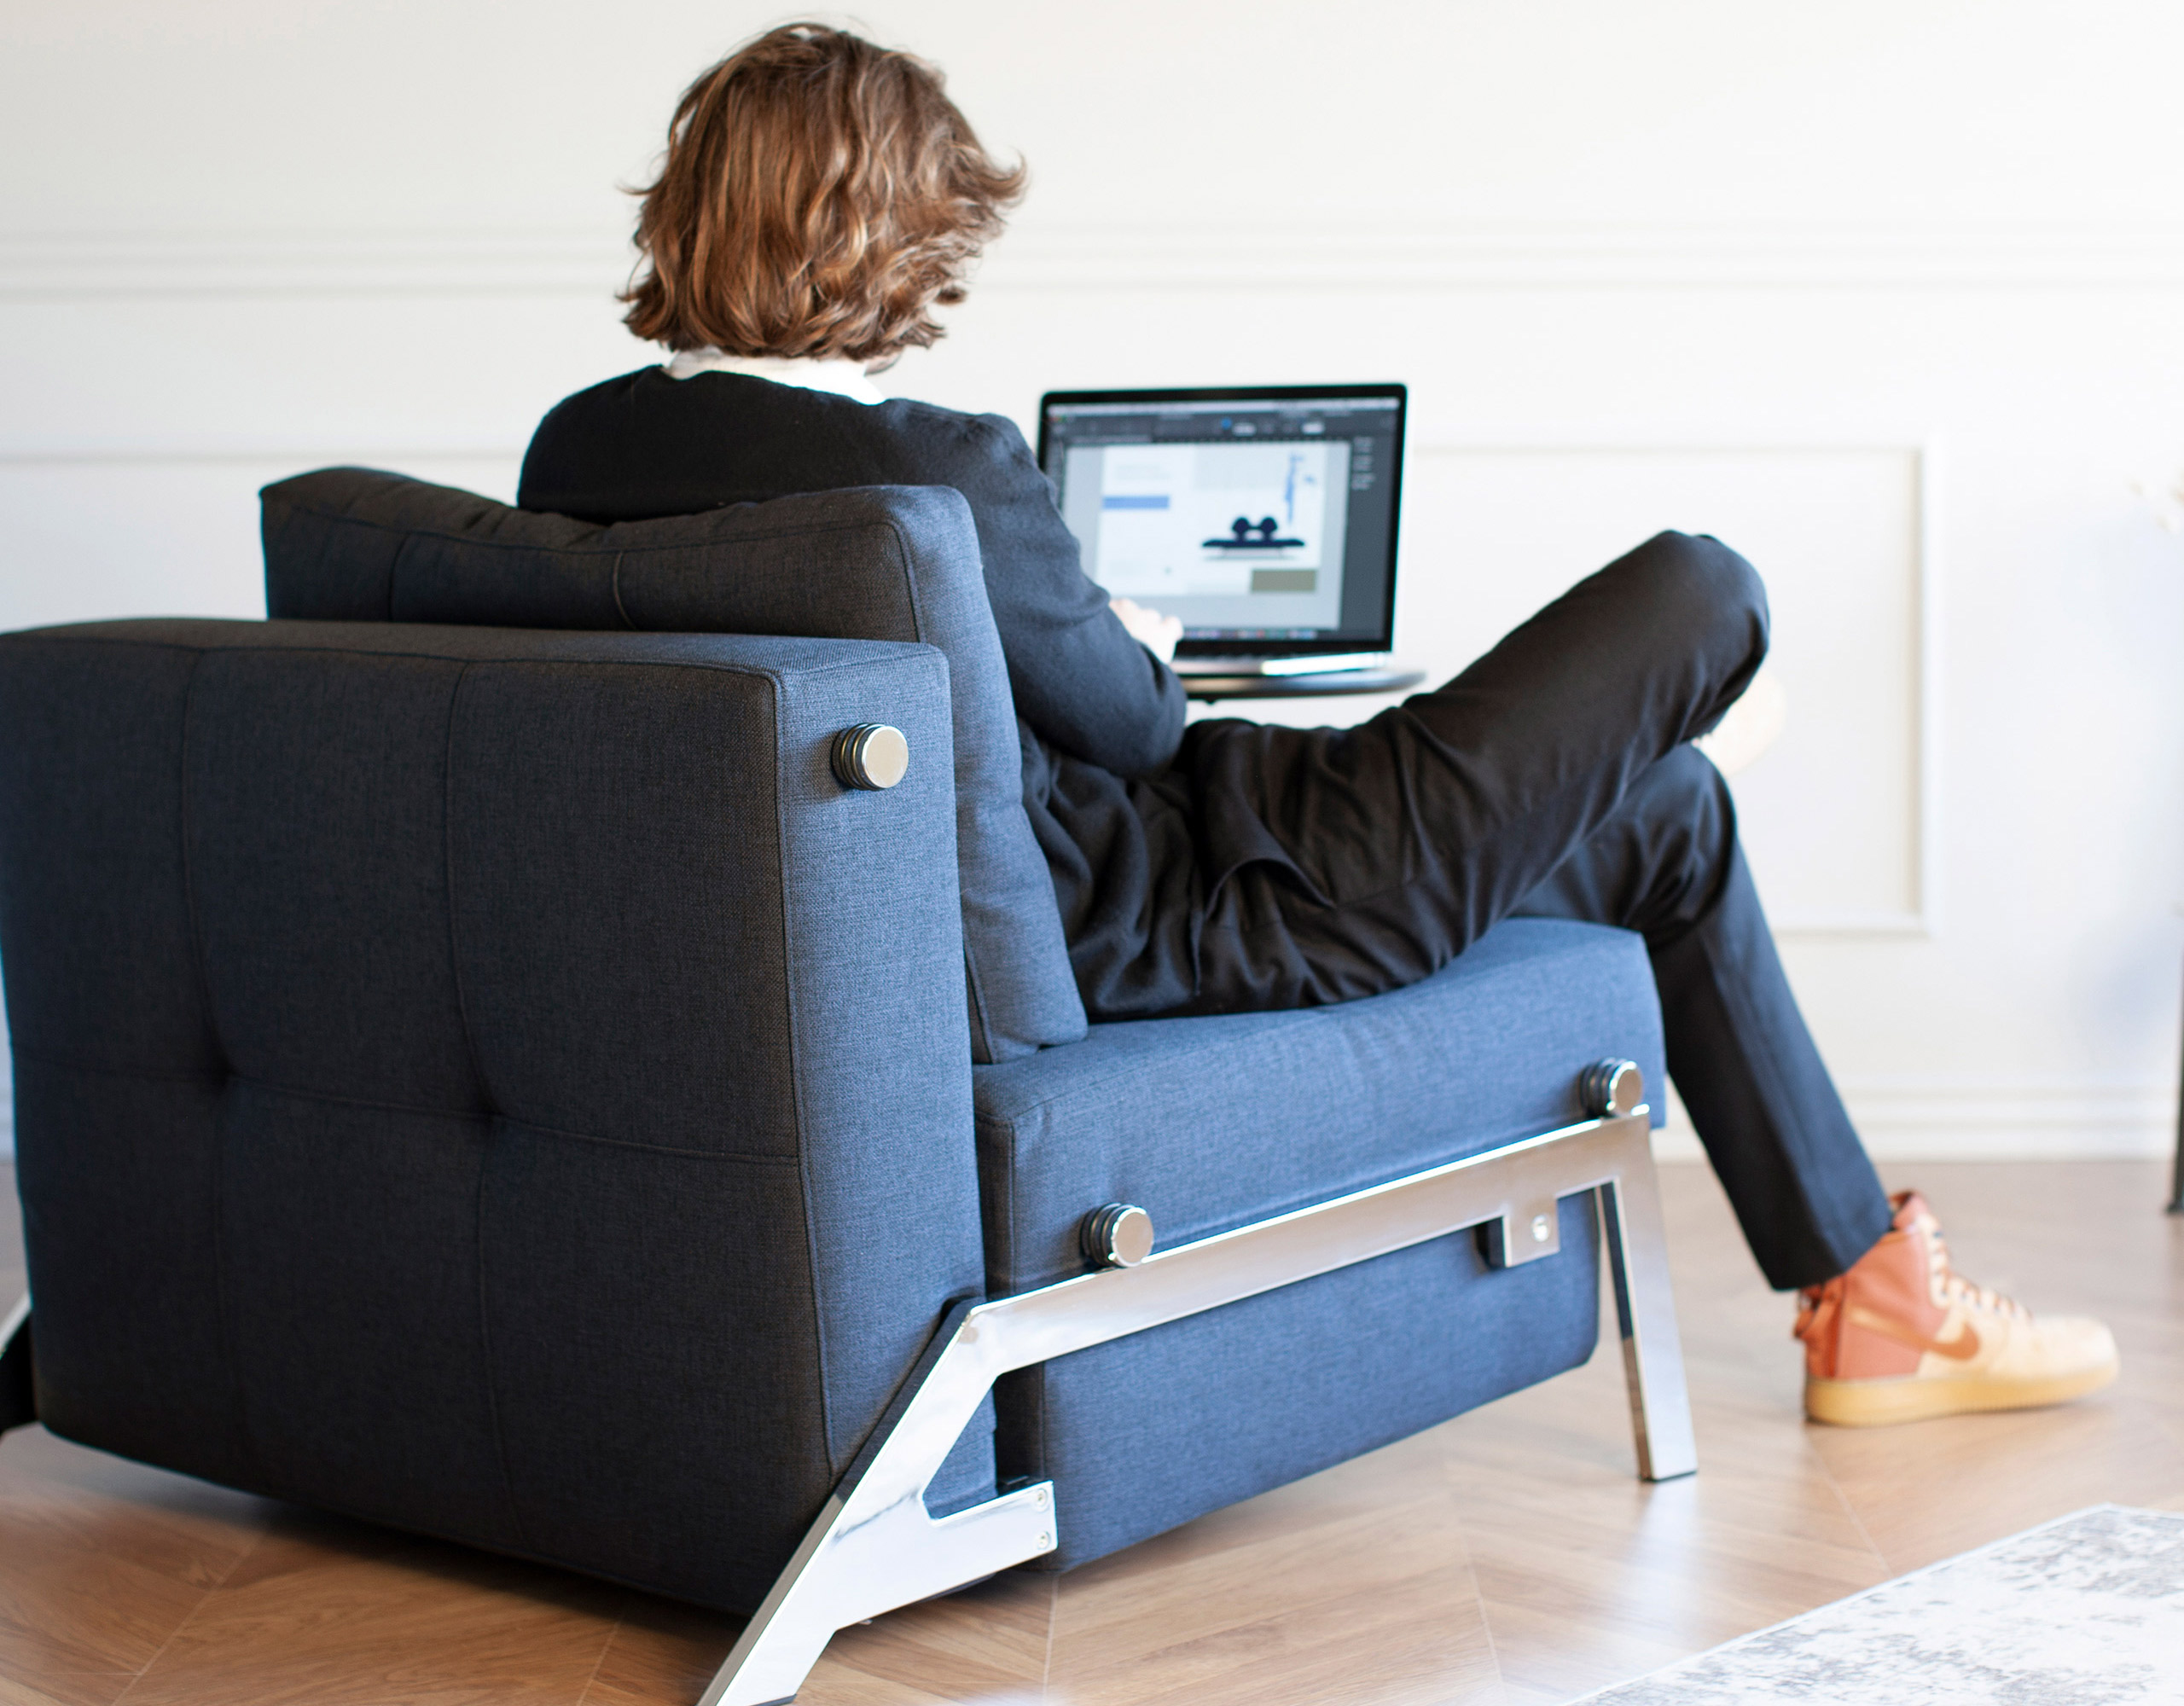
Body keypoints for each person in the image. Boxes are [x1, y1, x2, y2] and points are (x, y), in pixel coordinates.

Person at [518, 22, 2117, 1429]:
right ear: (872, 234)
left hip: (1192, 847)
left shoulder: (579, 456)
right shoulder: (935, 473)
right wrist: (1121, 634)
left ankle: (1874, 1306)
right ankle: (1698, 779)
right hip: (1240, 904)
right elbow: (1141, 721)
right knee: (1706, 592)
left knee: (1674, 822)